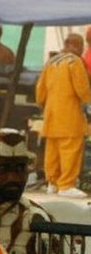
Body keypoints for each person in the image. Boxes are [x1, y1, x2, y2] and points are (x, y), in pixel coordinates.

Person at [35, 32, 90, 198]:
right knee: (70, 149)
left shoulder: (51, 62)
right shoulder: (74, 62)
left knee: (53, 150)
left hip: (51, 116)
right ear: (77, 45)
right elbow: (83, 90)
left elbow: (40, 92)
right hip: (69, 116)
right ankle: (66, 184)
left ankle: (52, 182)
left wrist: (46, 106)